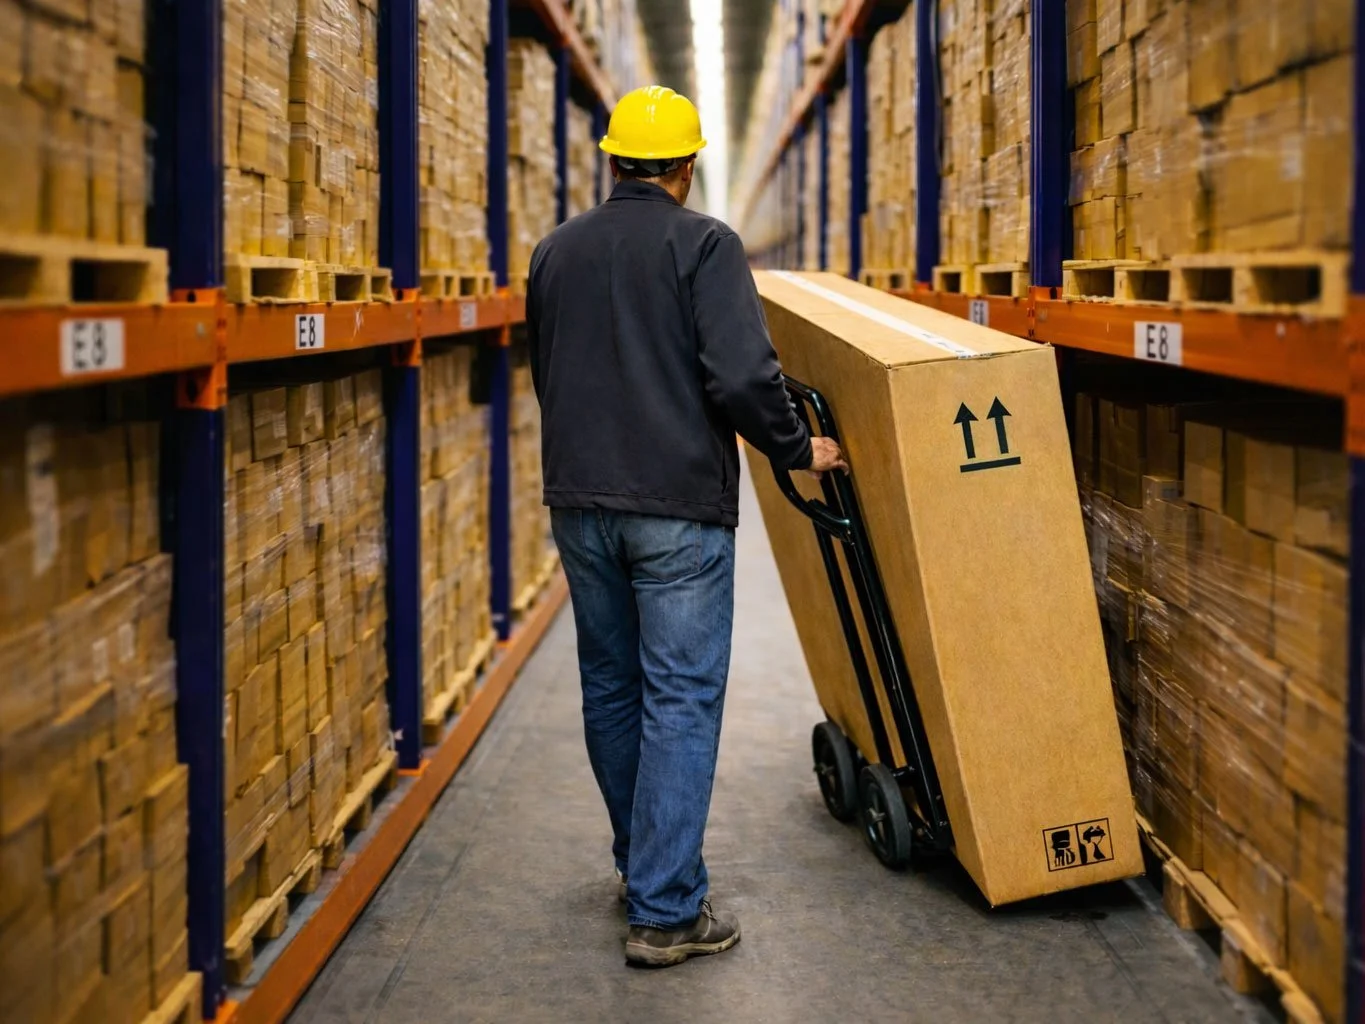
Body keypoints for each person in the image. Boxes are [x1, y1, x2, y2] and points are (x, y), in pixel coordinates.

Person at [525, 85, 847, 968]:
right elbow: (743, 378)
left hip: (580, 504)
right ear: (688, 165)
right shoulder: (705, 245)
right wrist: (795, 447)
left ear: (611, 157)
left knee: (612, 687)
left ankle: (645, 868)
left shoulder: (554, 253)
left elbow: (547, 371)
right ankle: (666, 911)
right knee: (679, 695)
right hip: (674, 508)